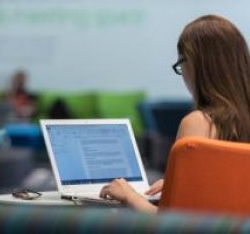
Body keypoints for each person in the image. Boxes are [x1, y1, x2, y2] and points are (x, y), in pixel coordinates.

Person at [99, 15, 250, 213]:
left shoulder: (197, 124)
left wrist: (129, 195)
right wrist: (176, 189)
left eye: (182, 64)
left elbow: (175, 223)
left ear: (198, 65)